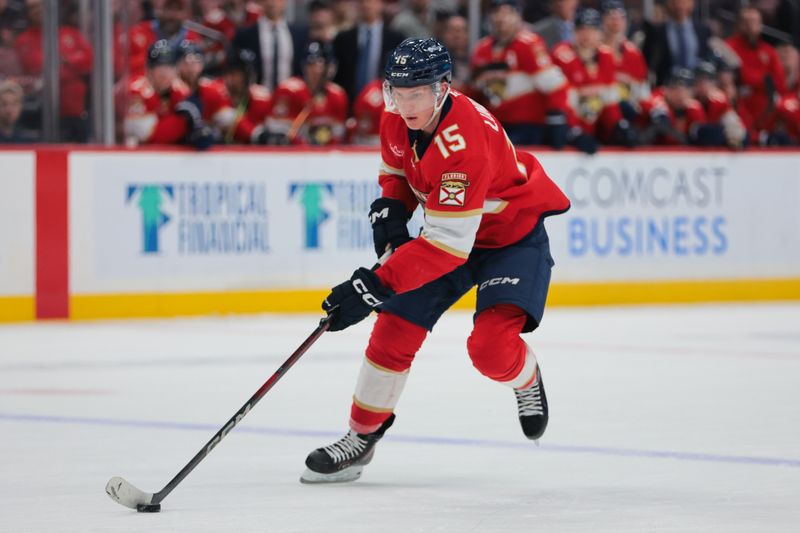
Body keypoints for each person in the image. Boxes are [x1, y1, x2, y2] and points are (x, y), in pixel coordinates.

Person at [299, 37, 570, 484]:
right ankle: (361, 436)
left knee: (489, 350)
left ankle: (526, 378)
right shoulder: (397, 116)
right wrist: (392, 207)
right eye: (397, 92)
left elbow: (447, 246)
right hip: (453, 231)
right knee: (394, 324)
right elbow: (397, 171)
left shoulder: (464, 143)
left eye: (417, 93)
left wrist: (372, 286)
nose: (405, 104)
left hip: (509, 239)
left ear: (443, 88)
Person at [469, 0, 576, 150]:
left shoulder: (528, 44)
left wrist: (557, 118)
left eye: (507, 12)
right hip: (492, 125)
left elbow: (556, 86)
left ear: (518, 16)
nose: (501, 18)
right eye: (497, 12)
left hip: (526, 127)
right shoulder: (481, 48)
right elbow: (475, 92)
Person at [551, 7, 637, 148]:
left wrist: (618, 125)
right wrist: (575, 132)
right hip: (566, 130)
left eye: (592, 30)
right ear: (574, 32)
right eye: (582, 29)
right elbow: (561, 102)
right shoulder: (562, 55)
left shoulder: (606, 56)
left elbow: (609, 99)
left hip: (594, 129)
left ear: (600, 34)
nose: (587, 35)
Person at [15, 0, 93, 142]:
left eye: (39, 6)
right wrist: (68, 63)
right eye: (32, 8)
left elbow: (89, 60)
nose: (37, 10)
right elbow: (38, 66)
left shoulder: (70, 33)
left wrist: (66, 61)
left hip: (75, 112)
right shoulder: (24, 40)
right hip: (43, 114)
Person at [124, 39, 211, 148]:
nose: (165, 73)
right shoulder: (136, 91)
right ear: (148, 69)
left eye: (170, 67)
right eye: (160, 66)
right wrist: (183, 122)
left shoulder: (179, 90)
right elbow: (148, 135)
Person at [265, 40, 348, 145]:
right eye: (311, 65)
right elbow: (277, 132)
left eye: (320, 65)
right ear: (304, 67)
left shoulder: (337, 96)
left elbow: (337, 135)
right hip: (294, 154)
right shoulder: (289, 91)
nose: (316, 70)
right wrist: (302, 143)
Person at [725, 6, 788, 145]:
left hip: (766, 110)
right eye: (746, 22)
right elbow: (736, 77)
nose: (751, 26)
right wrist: (763, 79)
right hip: (740, 107)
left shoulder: (769, 51)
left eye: (754, 21)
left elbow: (779, 82)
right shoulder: (728, 47)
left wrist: (753, 80)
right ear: (739, 24)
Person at [332, 0, 405, 103]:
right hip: (350, 105)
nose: (366, 4)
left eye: (372, 1)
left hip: (383, 105)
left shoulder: (396, 39)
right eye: (362, 1)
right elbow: (338, 78)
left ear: (381, 4)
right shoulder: (343, 39)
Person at [232, 0, 307, 91]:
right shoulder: (245, 35)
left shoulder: (300, 34)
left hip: (289, 97)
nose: (272, 3)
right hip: (256, 97)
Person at [175, 39, 236, 141]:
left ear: (202, 64)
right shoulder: (170, 89)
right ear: (176, 65)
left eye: (196, 61)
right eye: (186, 62)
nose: (191, 67)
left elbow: (228, 120)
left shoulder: (213, 89)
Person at [642, 0, 712, 85]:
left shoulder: (703, 31)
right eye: (675, 2)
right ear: (668, 4)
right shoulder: (656, 32)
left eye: (684, 2)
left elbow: (707, 58)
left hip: (696, 87)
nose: (679, 6)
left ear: (692, 4)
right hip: (667, 86)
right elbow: (646, 61)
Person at [128, 0, 204, 78]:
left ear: (186, 14)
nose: (172, 15)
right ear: (158, 10)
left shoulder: (193, 37)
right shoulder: (139, 32)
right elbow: (132, 68)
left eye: (178, 10)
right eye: (168, 8)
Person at [223, 49, 273, 144]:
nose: (233, 79)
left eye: (241, 74)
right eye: (232, 73)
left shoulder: (261, 98)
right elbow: (227, 120)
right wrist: (257, 135)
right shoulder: (217, 94)